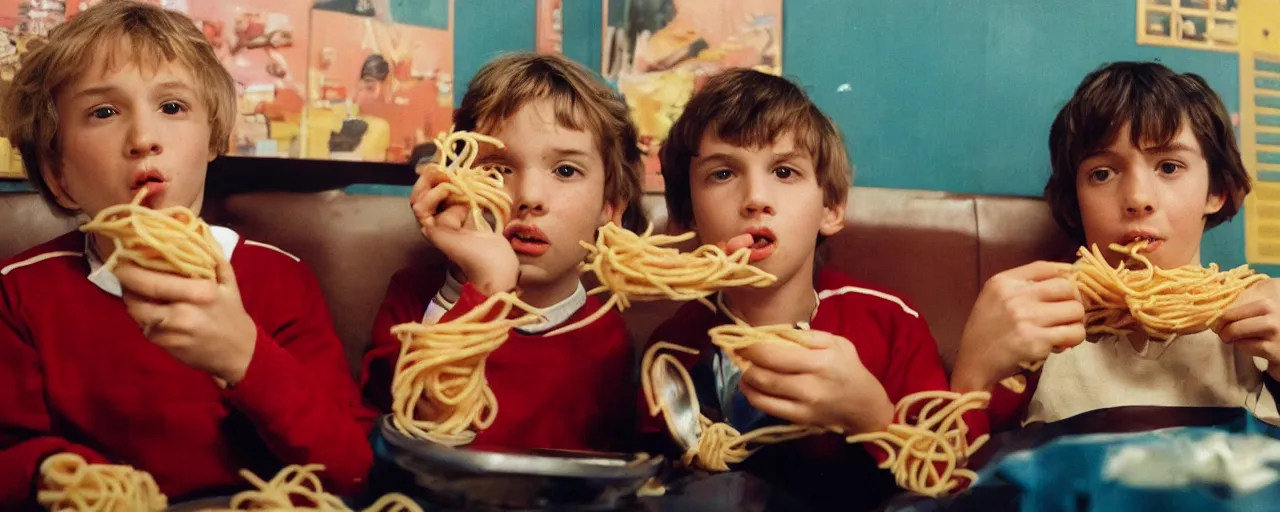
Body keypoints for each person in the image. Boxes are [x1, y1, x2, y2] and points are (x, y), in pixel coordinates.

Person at [0, 2, 374, 508]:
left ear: (212, 138)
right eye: (103, 112)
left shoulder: (280, 279)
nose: (144, 139)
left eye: (172, 107)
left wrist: (245, 356)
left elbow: (350, 470)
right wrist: (61, 475)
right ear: (59, 174)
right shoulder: (20, 290)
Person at [642, 68, 985, 510]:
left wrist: (871, 416)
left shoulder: (888, 322)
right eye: (723, 174)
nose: (755, 198)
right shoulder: (673, 348)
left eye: (785, 171)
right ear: (686, 218)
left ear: (832, 208)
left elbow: (946, 481)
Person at [950, 61, 1280, 429]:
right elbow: (957, 473)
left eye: (1169, 167)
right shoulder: (1035, 322)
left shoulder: (1261, 319)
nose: (1138, 198)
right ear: (1076, 201)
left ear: (1216, 190)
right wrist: (971, 377)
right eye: (1102, 173)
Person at [361, 52, 647, 453]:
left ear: (610, 207)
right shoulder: (414, 297)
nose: (528, 197)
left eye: (565, 170)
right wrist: (487, 284)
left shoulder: (607, 336)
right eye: (497, 169)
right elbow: (424, 433)